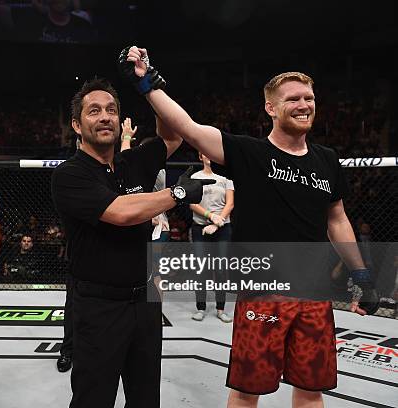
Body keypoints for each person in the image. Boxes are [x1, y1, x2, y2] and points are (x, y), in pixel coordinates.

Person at [119, 46, 379, 408]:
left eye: (309, 97)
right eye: (293, 99)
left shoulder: (327, 160)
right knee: (247, 391)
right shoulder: (250, 153)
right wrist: (148, 84)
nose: (304, 104)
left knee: (311, 389)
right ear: (271, 108)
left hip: (313, 294)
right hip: (263, 291)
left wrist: (361, 273)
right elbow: (189, 128)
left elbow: (337, 219)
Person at [51, 77, 213, 408]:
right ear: (76, 125)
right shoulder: (70, 175)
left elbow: (172, 134)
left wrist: (148, 85)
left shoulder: (134, 161)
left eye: (111, 110)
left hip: (145, 303)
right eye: (94, 111)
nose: (105, 116)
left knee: (145, 399)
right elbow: (122, 213)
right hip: (98, 307)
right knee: (93, 400)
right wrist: (177, 193)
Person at [189, 152, 234, 323]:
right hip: (200, 228)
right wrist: (210, 216)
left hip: (222, 228)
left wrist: (217, 223)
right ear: (201, 157)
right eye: (206, 153)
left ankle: (220, 309)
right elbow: (192, 203)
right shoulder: (195, 177)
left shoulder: (226, 177)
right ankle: (200, 308)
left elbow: (230, 203)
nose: (210, 155)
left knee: (221, 269)